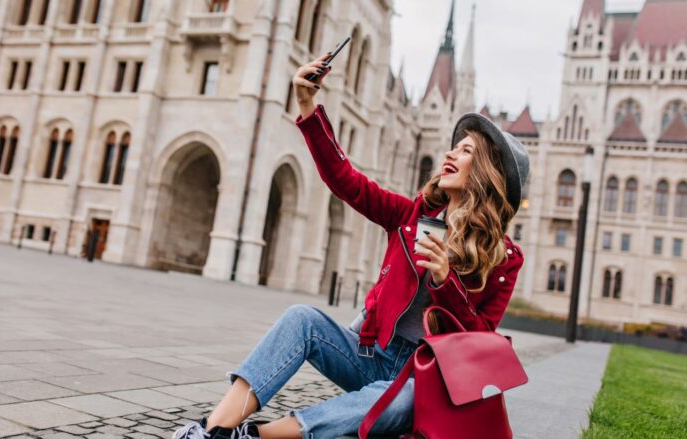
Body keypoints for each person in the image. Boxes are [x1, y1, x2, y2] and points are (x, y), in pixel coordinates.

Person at [173, 53, 529, 439]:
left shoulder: (505, 259)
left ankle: (256, 435)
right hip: (373, 356)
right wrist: (309, 108)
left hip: (423, 380)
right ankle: (210, 430)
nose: (449, 153)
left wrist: (447, 282)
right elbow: (346, 181)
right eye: (454, 146)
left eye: (466, 151)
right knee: (302, 319)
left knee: (404, 400)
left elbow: (480, 340)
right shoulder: (413, 216)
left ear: (487, 175)